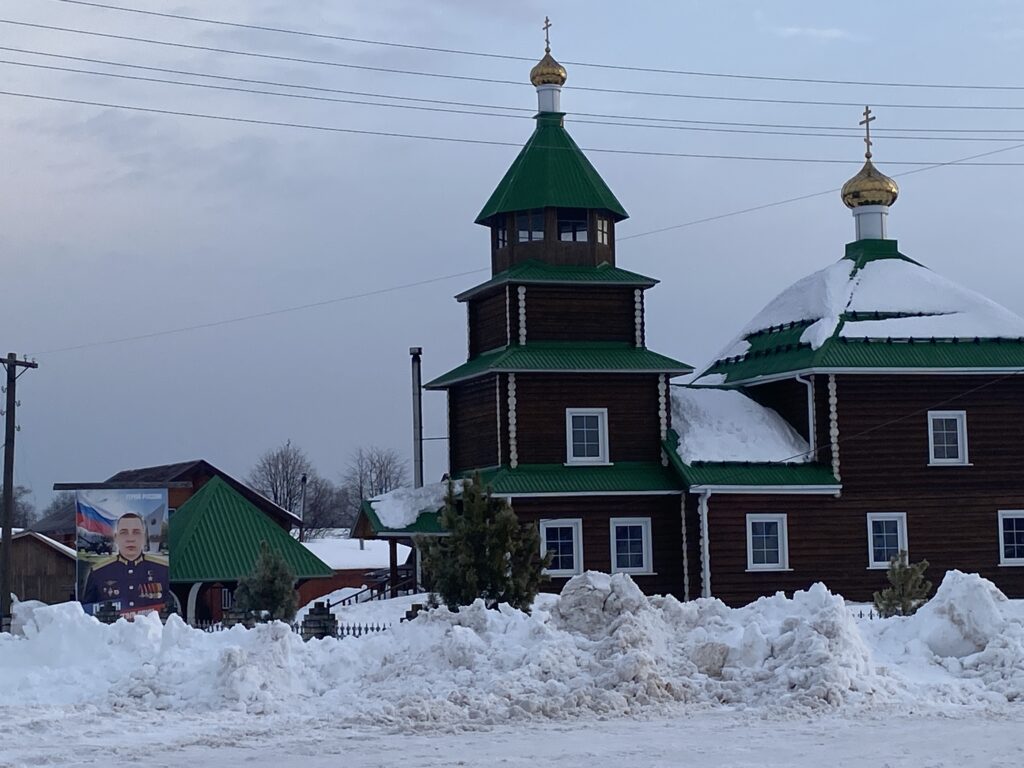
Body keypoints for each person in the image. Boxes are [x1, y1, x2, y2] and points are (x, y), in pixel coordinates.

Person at [81, 512, 169, 615]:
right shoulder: (99, 572)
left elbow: (169, 610)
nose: (130, 539)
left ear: (143, 537)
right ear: (116, 537)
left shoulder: (162, 570)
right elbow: (87, 613)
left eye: (136, 532)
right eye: (124, 533)